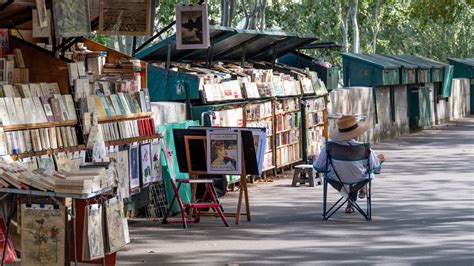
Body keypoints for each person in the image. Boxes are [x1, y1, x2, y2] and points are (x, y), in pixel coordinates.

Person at [313, 115, 385, 214]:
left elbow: (319, 166)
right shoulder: (364, 148)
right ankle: (361, 190)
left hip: (336, 180)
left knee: (346, 172)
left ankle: (351, 201)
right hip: (359, 179)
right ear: (356, 134)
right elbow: (374, 166)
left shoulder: (329, 147)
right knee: (362, 172)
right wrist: (379, 160)